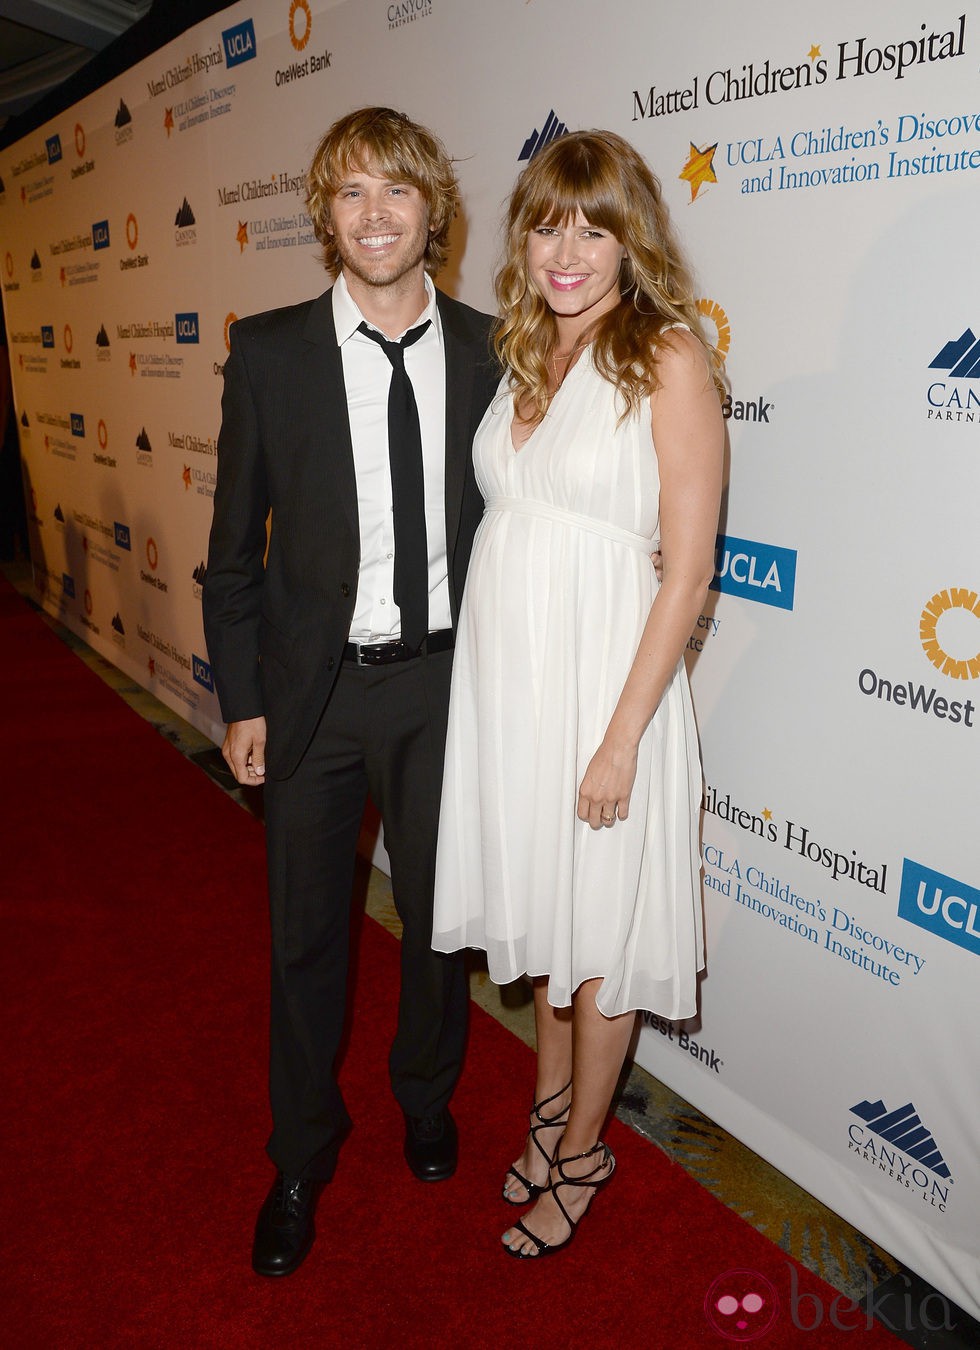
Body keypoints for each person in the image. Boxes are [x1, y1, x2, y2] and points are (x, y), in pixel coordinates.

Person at [203, 107, 498, 1277]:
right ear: (326, 217)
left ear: (433, 208)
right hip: (311, 701)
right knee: (304, 941)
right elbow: (232, 553)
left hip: (444, 690)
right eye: (350, 195)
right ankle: (299, 1156)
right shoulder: (269, 351)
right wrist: (243, 699)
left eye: (397, 192)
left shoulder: (491, 346)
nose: (375, 216)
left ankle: (425, 1098)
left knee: (440, 925)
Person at [432, 129, 725, 1258]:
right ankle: (547, 1111)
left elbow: (686, 568)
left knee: (597, 938)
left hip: (610, 696)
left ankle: (585, 1149)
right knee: (551, 925)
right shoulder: (519, 354)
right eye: (548, 223)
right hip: (513, 691)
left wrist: (618, 741)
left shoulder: (667, 359)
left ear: (627, 238)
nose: (567, 249)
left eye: (593, 226)